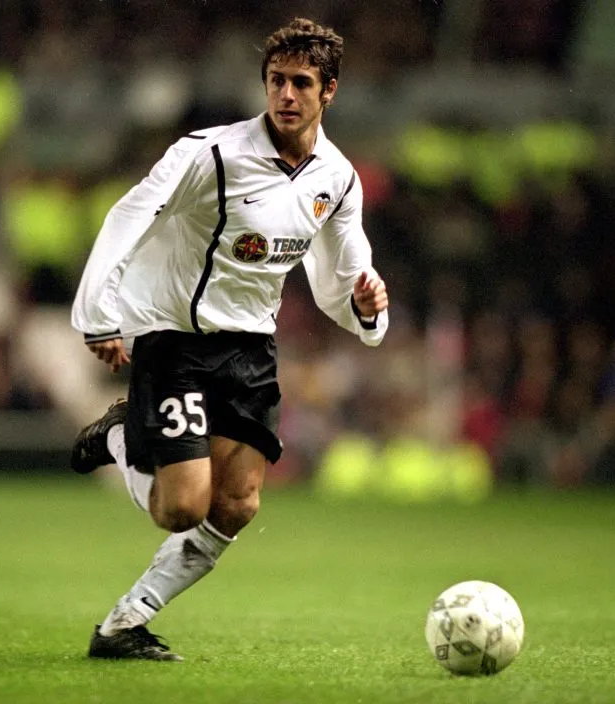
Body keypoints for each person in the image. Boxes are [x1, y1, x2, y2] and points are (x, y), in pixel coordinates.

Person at [69, 17, 389, 661]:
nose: (286, 95)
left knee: (238, 504)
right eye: (277, 80)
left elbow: (342, 275)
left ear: (329, 90)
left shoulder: (337, 178)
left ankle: (125, 623)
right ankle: (119, 433)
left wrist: (365, 305)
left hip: (251, 351)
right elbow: (129, 215)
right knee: (182, 509)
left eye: (302, 83)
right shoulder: (210, 154)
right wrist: (99, 314)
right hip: (179, 342)